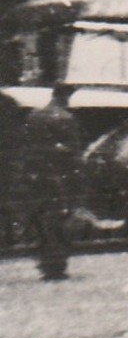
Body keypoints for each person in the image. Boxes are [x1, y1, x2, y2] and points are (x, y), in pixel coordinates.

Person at [12, 87, 82, 281]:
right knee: (58, 222)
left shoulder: (35, 115)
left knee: (41, 221)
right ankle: (56, 267)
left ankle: (45, 264)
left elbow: (24, 143)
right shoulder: (66, 118)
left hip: (34, 175)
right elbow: (73, 152)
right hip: (57, 177)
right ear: (67, 98)